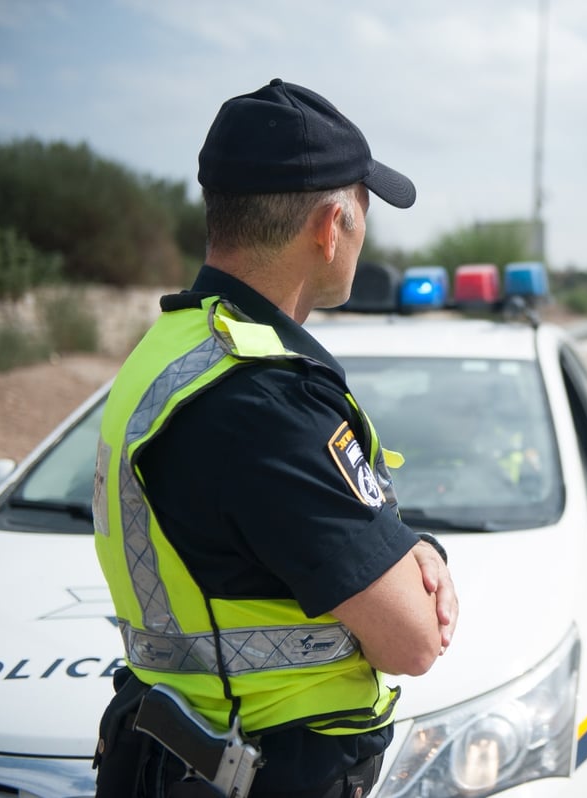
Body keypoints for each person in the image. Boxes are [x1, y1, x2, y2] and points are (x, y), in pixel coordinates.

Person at [91, 78, 458, 798]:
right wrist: (411, 559)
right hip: (258, 769)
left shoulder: (171, 349)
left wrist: (404, 542)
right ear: (329, 227)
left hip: (179, 755)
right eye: (363, 214)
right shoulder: (265, 400)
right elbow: (411, 641)